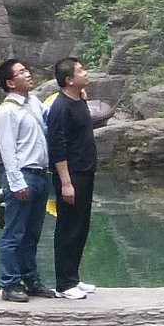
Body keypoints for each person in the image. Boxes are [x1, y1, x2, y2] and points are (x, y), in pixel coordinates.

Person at [0, 55, 53, 302]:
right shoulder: (7, 111)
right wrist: (17, 182)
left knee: (32, 234)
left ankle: (31, 279)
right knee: (14, 233)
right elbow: (8, 150)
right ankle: (10, 283)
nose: (27, 74)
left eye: (26, 70)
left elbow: (49, 117)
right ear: (10, 82)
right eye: (21, 72)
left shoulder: (33, 103)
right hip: (24, 175)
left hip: (41, 174)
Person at [46, 54, 98, 299]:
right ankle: (64, 284)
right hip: (71, 174)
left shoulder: (78, 100)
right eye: (80, 71)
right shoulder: (60, 108)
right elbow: (57, 147)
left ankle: (74, 277)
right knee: (68, 227)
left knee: (81, 226)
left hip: (86, 171)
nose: (85, 73)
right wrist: (65, 182)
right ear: (68, 80)